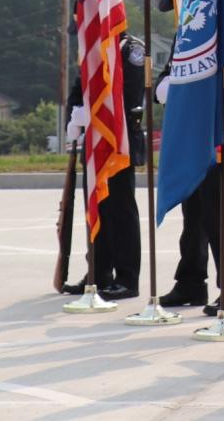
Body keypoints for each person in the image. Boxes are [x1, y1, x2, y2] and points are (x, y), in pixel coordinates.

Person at [154, 0, 224, 315]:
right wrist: (167, 87)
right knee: (193, 211)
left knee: (222, 212)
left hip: (220, 134)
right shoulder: (188, 31)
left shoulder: (222, 27)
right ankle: (191, 281)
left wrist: (175, 88)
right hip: (195, 136)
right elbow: (163, 82)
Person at [62, 28, 144, 300]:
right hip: (95, 140)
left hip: (118, 139)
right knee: (97, 207)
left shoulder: (130, 49)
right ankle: (98, 273)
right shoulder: (93, 49)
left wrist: (95, 112)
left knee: (121, 210)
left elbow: (130, 97)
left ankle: (127, 278)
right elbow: (78, 88)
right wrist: (73, 118)